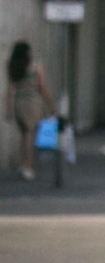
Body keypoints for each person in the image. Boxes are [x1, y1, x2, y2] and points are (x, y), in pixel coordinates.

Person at [9, 42, 56, 180]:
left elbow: (10, 89)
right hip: (32, 102)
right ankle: (28, 166)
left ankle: (24, 164)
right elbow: (41, 87)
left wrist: (8, 108)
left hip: (19, 102)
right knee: (32, 134)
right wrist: (51, 104)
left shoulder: (13, 67)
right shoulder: (35, 67)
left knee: (24, 135)